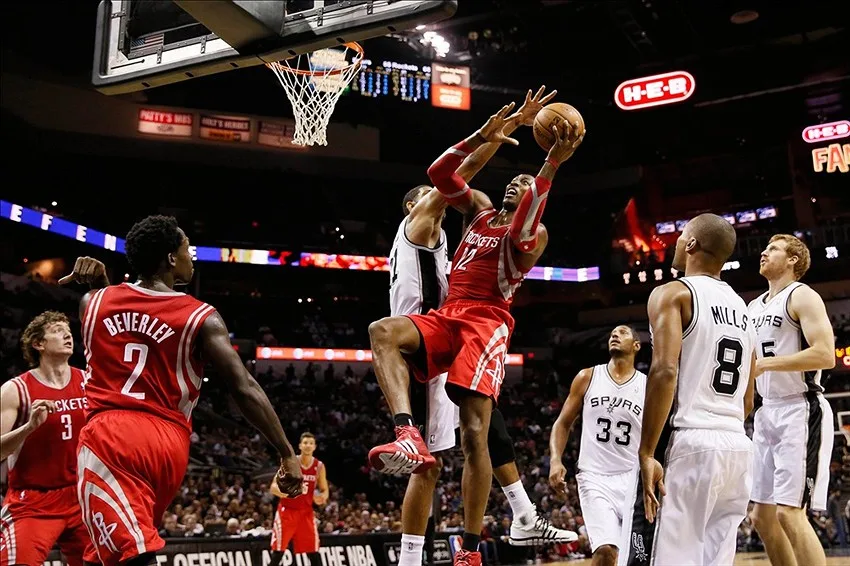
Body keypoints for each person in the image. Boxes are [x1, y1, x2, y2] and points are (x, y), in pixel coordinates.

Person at [368, 102, 584, 566]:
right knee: (382, 331)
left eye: (524, 183)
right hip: (448, 314)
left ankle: (468, 549)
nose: (515, 181)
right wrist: (484, 134)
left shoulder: (535, 232)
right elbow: (441, 173)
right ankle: (405, 433)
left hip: (487, 322)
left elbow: (527, 222)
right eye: (514, 178)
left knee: (475, 434)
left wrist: (549, 165)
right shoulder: (480, 212)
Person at [60, 217, 303, 566]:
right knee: (109, 553)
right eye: (187, 247)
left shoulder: (91, 303)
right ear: (171, 259)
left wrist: (102, 285)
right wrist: (286, 452)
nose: (192, 254)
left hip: (113, 437)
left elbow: (115, 318)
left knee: (131, 554)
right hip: (170, 444)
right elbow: (244, 387)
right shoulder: (202, 316)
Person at [623, 214, 757, 565]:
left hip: (692, 442)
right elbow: (748, 396)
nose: (676, 243)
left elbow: (665, 370)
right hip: (737, 448)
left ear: (692, 244)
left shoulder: (674, 293)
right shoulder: (744, 309)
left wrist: (647, 451)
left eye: (681, 237)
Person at [747, 234, 835, 566]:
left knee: (789, 514)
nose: (763, 253)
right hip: (766, 411)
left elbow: (826, 355)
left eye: (773, 249)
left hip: (801, 407)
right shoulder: (753, 306)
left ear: (793, 259)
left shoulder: (803, 296)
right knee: (762, 518)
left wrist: (766, 364)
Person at [549, 325, 646, 566]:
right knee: (605, 550)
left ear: (636, 345)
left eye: (622, 332)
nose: (615, 335)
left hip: (634, 479)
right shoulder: (588, 377)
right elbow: (562, 424)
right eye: (613, 333)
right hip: (595, 477)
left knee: (639, 555)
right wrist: (555, 460)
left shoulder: (648, 386)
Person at [0, 311, 92, 566]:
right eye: (57, 330)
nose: (67, 334)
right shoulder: (15, 390)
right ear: (38, 344)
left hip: (82, 495)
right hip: (33, 501)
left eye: (68, 330)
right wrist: (29, 427)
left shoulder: (88, 381)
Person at [269, 432, 329, 566]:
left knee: (313, 552)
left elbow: (325, 490)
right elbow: (273, 487)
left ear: (315, 447)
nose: (308, 446)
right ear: (300, 446)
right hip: (286, 512)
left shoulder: (319, 466)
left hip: (306, 513)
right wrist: (288, 493)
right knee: (278, 552)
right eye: (305, 443)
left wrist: (322, 497)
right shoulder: (291, 463)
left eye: (311, 443)